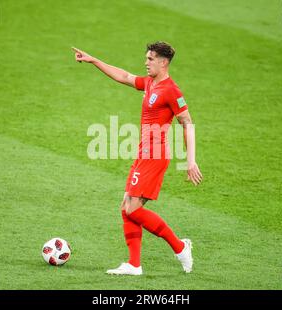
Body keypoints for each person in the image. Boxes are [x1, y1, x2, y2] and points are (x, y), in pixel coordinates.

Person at [72, 42, 203, 275]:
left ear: (163, 62)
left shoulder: (172, 90)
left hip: (156, 154)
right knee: (126, 207)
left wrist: (190, 160)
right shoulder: (150, 83)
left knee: (133, 209)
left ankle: (180, 247)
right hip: (143, 152)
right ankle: (134, 264)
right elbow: (124, 76)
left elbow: (187, 123)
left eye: (150, 59)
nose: (146, 62)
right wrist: (94, 60)